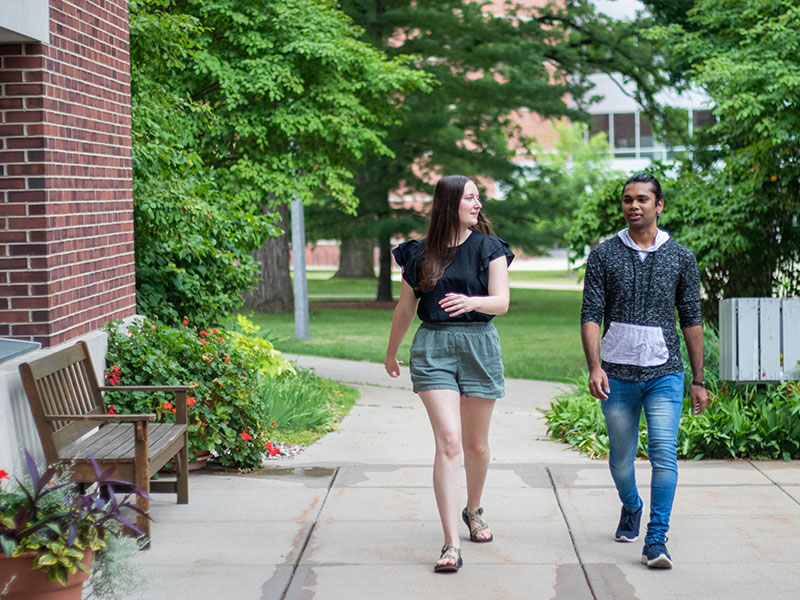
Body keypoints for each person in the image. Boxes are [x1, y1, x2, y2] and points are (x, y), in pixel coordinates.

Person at [580, 172, 711, 569]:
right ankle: (632, 505)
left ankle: (656, 538)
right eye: (626, 200)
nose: (633, 206)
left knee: (664, 455)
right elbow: (590, 314)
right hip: (617, 375)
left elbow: (691, 318)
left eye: (641, 199)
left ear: (659, 205)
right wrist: (594, 366)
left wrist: (699, 380)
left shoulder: (681, 257)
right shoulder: (604, 254)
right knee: (620, 460)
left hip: (664, 372)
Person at [384, 174, 514, 573]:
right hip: (433, 347)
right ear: (449, 204)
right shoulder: (419, 254)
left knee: (476, 445)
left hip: (479, 345)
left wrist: (472, 300)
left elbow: (502, 303)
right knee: (450, 443)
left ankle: (472, 509)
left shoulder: (489, 248)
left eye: (478, 198)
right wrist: (391, 353)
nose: (478, 205)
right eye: (470, 198)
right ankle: (450, 544)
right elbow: (406, 309)